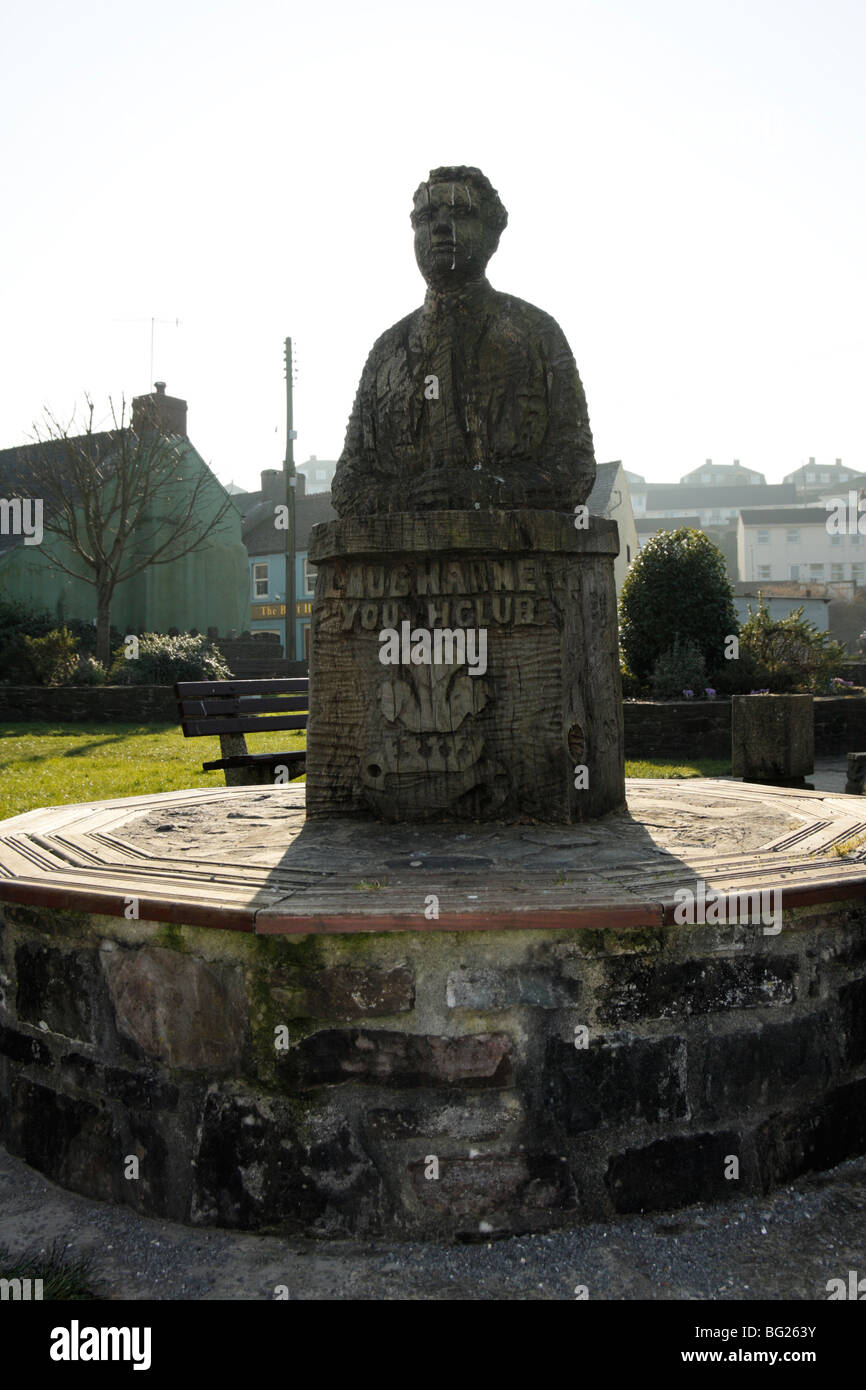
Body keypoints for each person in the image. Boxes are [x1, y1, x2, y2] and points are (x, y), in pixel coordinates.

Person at [331, 165, 597, 517]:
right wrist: (411, 496)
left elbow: (575, 472)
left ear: (493, 232)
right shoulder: (387, 352)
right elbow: (346, 486)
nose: (440, 226)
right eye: (426, 216)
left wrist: (482, 489)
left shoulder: (537, 334)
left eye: (460, 212)